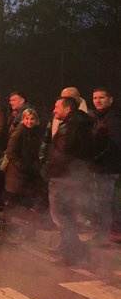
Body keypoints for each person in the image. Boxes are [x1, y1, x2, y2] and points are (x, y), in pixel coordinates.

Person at [45, 96, 94, 266]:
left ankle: (71, 253)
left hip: (63, 177)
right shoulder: (78, 125)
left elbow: (62, 155)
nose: (54, 110)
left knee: (61, 216)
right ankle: (70, 248)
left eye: (57, 107)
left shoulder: (70, 128)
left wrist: (50, 169)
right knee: (67, 216)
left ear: (68, 109)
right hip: (71, 177)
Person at [3, 108, 46, 239]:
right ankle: (8, 230)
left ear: (37, 120)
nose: (29, 121)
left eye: (32, 119)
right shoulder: (18, 133)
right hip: (17, 174)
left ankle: (26, 230)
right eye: (27, 118)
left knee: (29, 201)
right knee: (13, 202)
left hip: (28, 172)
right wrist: (23, 167)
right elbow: (11, 153)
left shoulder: (36, 133)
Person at [90, 87, 120, 245]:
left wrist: (95, 158)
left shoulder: (113, 118)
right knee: (105, 202)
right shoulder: (100, 117)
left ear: (111, 99)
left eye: (102, 97)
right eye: (95, 98)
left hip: (107, 167)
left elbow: (113, 145)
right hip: (101, 166)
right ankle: (112, 233)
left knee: (104, 203)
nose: (98, 101)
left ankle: (105, 236)